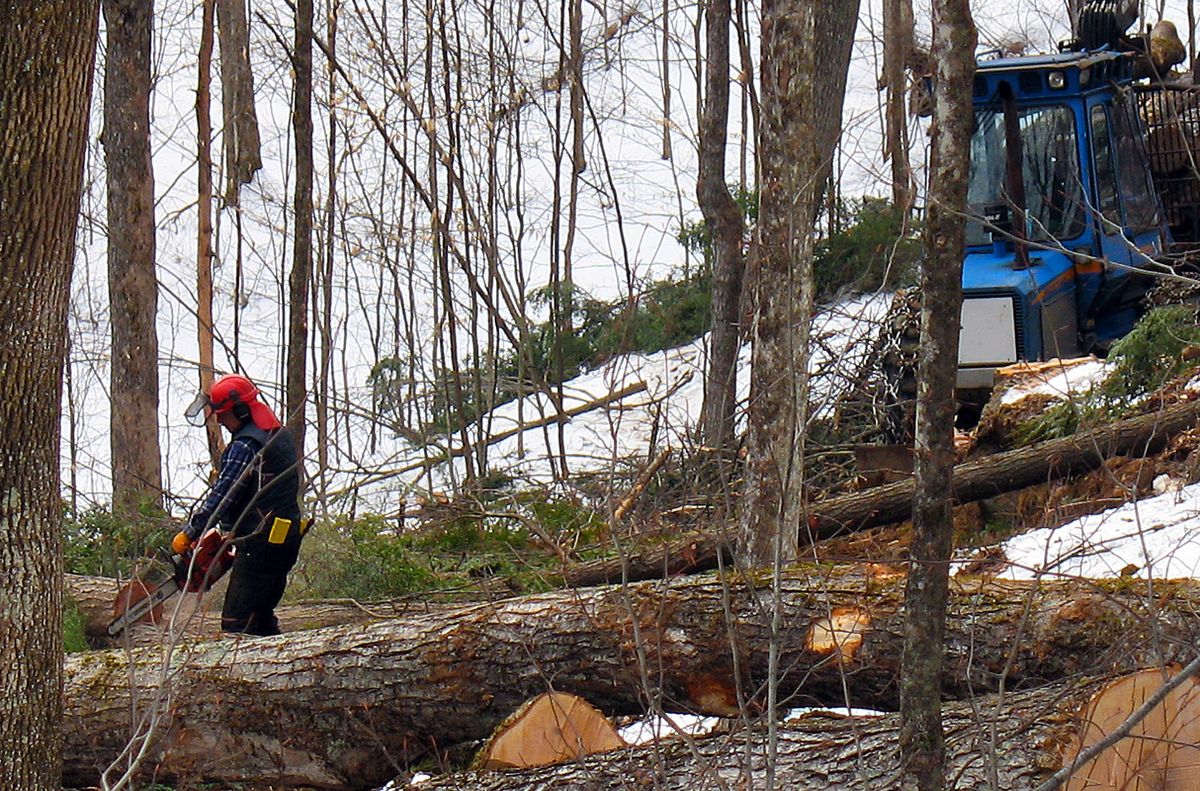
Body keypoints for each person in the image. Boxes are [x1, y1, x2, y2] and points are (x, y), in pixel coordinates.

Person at [176, 373, 305, 636]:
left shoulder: (246, 445)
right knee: (260, 618)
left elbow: (225, 494)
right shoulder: (277, 435)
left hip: (261, 542)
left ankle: (247, 675)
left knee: (237, 623)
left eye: (223, 414)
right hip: (285, 538)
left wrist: (192, 531)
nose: (220, 420)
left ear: (241, 410)